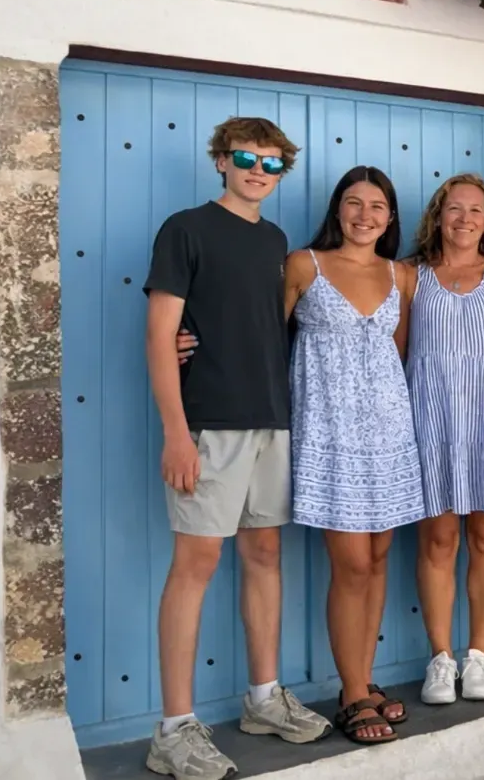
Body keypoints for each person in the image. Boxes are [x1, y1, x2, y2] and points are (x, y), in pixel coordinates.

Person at [142, 116, 330, 780]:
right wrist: (175, 431)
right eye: (246, 157)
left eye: (273, 162)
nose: (258, 169)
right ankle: (172, 729)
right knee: (195, 561)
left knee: (264, 550)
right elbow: (160, 335)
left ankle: (262, 698)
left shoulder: (276, 239)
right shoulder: (185, 228)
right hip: (208, 423)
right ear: (221, 159)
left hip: (270, 420)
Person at [284, 165, 427, 743]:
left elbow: (398, 352)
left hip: (390, 435)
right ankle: (351, 691)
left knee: (377, 560)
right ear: (337, 210)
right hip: (329, 436)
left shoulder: (402, 277)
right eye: (353, 203)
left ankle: (363, 683)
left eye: (377, 206)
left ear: (391, 218)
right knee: (350, 565)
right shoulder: (304, 265)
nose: (364, 215)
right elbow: (262, 339)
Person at [401, 173, 484, 705]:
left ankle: (479, 657)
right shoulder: (412, 277)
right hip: (432, 421)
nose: (464, 220)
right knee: (437, 540)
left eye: (475, 211)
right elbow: (398, 350)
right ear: (439, 215)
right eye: (454, 209)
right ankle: (440, 658)